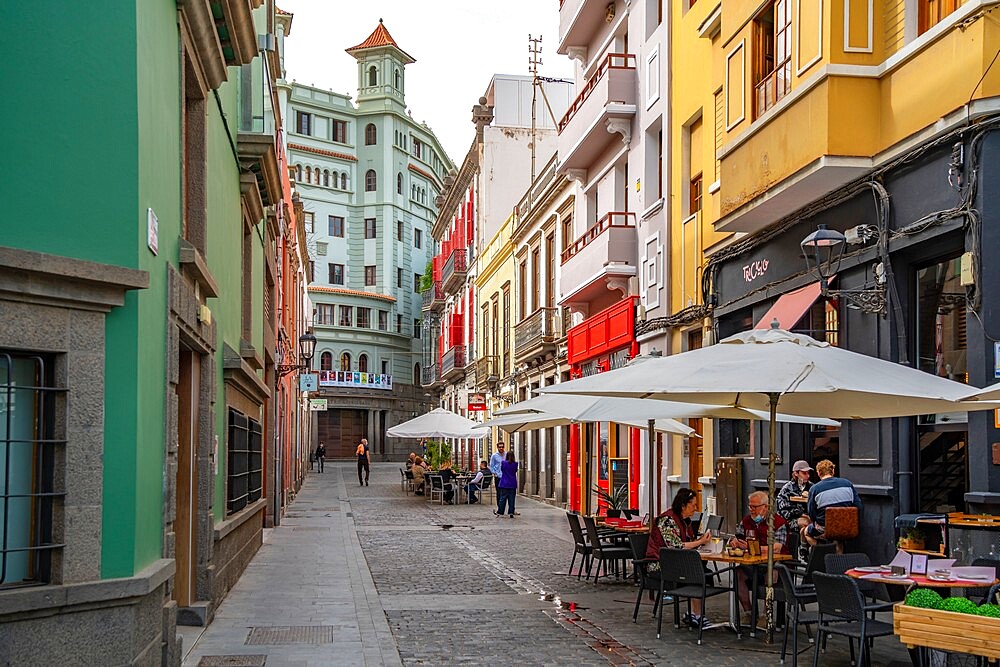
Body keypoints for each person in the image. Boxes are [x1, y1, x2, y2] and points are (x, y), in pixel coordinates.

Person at [645, 488, 712, 627]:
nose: (695, 508)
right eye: (693, 504)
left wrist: (700, 542)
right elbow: (675, 546)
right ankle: (696, 615)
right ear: (683, 505)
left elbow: (688, 542)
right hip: (660, 564)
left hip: (677, 563)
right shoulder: (667, 520)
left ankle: (695, 613)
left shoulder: (684, 521)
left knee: (704, 573)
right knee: (697, 573)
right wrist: (699, 542)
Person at [729, 491, 787, 627]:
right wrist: (735, 542)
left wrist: (752, 548)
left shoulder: (778, 523)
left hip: (776, 566)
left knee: (771, 571)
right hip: (751, 564)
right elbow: (738, 537)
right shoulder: (746, 521)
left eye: (755, 507)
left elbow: (776, 548)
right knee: (737, 573)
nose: (752, 510)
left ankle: (766, 615)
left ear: (766, 507)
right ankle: (749, 613)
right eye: (750, 507)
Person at [802, 459, 862, 547]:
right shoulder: (847, 484)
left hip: (825, 528)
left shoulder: (814, 489)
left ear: (818, 473)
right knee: (839, 537)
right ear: (833, 471)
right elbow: (858, 506)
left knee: (806, 532)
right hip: (847, 526)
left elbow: (812, 514)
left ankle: (822, 551)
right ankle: (838, 557)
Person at [496, 450, 518, 518]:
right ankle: (511, 512)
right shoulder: (515, 464)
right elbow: (515, 471)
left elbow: (502, 470)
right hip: (512, 483)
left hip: (504, 483)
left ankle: (500, 512)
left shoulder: (503, 463)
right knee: (512, 498)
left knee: (502, 498)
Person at [489, 441, 506, 514]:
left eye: (502, 447)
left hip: (505, 477)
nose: (501, 448)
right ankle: (500, 508)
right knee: (499, 492)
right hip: (498, 477)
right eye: (500, 447)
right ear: (497, 447)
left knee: (505, 493)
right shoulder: (494, 456)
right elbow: (491, 466)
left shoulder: (507, 454)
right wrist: (495, 473)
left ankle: (504, 507)